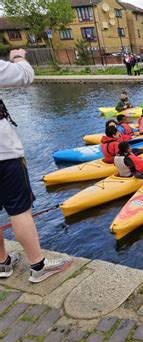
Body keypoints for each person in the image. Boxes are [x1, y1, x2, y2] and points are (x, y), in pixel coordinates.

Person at [0, 49, 71, 283]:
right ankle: (38, 265)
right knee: (20, 211)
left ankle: (2, 263)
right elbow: (25, 75)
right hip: (4, 155)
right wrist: (18, 56)